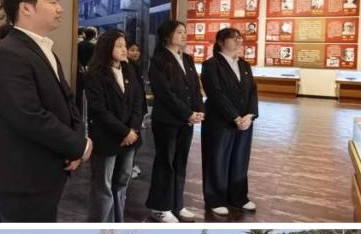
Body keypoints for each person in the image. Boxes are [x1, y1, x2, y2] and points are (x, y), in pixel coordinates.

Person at [0, 0, 91, 222]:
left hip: (48, 170)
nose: (60, 8)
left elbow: (67, 100)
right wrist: (79, 146)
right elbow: (27, 115)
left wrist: (74, 143)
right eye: (52, 1)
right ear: (26, 8)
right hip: (23, 178)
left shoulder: (44, 49)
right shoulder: (6, 54)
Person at [83, 29, 144, 223]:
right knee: (104, 186)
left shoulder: (129, 69)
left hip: (130, 137)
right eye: (119, 46)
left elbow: (138, 102)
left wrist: (133, 129)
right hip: (107, 137)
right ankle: (101, 226)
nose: (124, 49)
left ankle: (118, 223)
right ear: (106, 47)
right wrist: (124, 131)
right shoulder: (95, 74)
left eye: (124, 45)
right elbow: (99, 110)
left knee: (122, 182)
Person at [146, 19, 204, 223]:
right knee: (166, 163)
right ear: (167, 36)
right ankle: (159, 207)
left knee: (180, 162)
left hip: (186, 120)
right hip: (167, 120)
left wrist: (199, 110)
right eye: (179, 32)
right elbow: (164, 93)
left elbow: (195, 87)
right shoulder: (159, 60)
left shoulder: (187, 58)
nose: (184, 35)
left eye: (184, 32)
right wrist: (187, 113)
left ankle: (177, 204)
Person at [200, 27, 258, 217]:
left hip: (244, 121)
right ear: (221, 42)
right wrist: (234, 116)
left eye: (240, 38)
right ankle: (215, 199)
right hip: (220, 120)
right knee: (217, 158)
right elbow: (215, 93)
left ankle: (239, 197)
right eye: (234, 38)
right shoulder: (211, 65)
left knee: (240, 158)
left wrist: (251, 115)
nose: (239, 41)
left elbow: (252, 91)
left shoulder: (244, 65)